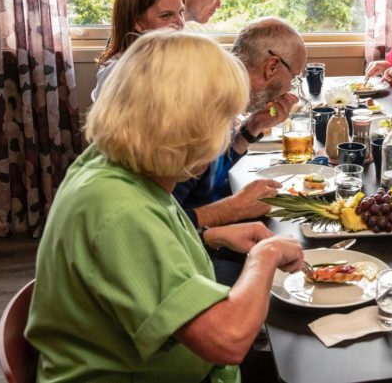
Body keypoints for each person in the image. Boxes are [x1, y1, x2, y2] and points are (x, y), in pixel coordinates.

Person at [25, 30, 304, 382]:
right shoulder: (117, 210)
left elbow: (156, 236)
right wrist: (265, 256)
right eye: (221, 120)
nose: (222, 137)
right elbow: (227, 341)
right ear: (185, 124)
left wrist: (213, 235)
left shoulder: (119, 166)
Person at [175, 17, 307, 230]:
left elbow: (210, 180)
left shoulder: (223, 95)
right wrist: (235, 207)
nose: (290, 86)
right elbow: (160, 224)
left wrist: (251, 128)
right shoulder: (197, 115)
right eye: (293, 76)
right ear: (272, 66)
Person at [92, 0, 185, 100]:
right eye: (166, 15)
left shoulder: (168, 57)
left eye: (181, 12)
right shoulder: (117, 74)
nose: (180, 23)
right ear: (136, 22)